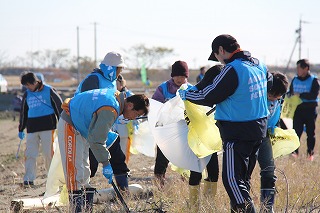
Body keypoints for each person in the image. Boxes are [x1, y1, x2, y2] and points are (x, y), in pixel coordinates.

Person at [179, 34, 272, 212]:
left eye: (218, 57)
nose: (220, 62)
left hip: (237, 133)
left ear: (221, 50)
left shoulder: (232, 69)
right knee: (242, 180)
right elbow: (270, 82)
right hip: (259, 129)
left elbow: (208, 95)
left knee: (231, 180)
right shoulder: (259, 64)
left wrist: (187, 94)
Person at [58, 88, 149, 212]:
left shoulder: (116, 97)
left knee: (84, 169)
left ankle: (87, 207)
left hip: (84, 127)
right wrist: (106, 163)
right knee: (74, 169)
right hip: (71, 124)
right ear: (130, 105)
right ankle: (77, 209)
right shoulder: (110, 109)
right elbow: (97, 140)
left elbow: (98, 132)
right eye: (136, 114)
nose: (134, 118)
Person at [74, 51, 130, 191]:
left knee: (118, 157)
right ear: (111, 68)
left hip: (105, 127)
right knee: (90, 165)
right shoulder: (93, 79)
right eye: (119, 69)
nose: (120, 72)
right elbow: (86, 105)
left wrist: (120, 116)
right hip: (88, 129)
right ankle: (82, 190)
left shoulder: (112, 82)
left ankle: (124, 190)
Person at [186, 65, 223, 212]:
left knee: (214, 173)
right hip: (197, 140)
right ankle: (194, 207)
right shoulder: (197, 91)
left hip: (211, 140)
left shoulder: (220, 92)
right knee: (196, 172)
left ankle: (208, 206)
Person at [18, 72, 63, 186]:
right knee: (30, 154)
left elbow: (59, 106)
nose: (27, 88)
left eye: (28, 85)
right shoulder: (27, 94)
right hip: (32, 128)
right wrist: (21, 128)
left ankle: (53, 178)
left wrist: (63, 123)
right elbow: (24, 111)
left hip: (48, 127)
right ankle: (29, 179)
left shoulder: (49, 90)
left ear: (34, 82)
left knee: (48, 154)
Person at [152, 60, 192, 186]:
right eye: (177, 76)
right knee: (162, 156)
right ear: (172, 75)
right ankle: (159, 182)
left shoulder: (190, 88)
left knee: (186, 156)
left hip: (184, 129)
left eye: (183, 76)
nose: (180, 79)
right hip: (166, 129)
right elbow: (155, 105)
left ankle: (186, 182)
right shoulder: (164, 88)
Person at [257, 71, 288, 213]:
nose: (274, 99)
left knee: (269, 172)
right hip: (250, 136)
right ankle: (243, 207)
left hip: (266, 136)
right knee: (245, 172)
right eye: (271, 96)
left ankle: (267, 208)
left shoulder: (279, 99)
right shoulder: (258, 96)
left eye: (278, 97)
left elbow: (277, 115)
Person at [289, 59, 319, 161]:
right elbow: (291, 92)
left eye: (299, 68)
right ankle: (295, 152)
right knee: (296, 132)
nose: (297, 70)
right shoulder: (294, 80)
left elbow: (313, 95)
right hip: (297, 110)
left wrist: (300, 95)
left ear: (306, 68)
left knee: (311, 133)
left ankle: (310, 154)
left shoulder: (314, 80)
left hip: (310, 110)